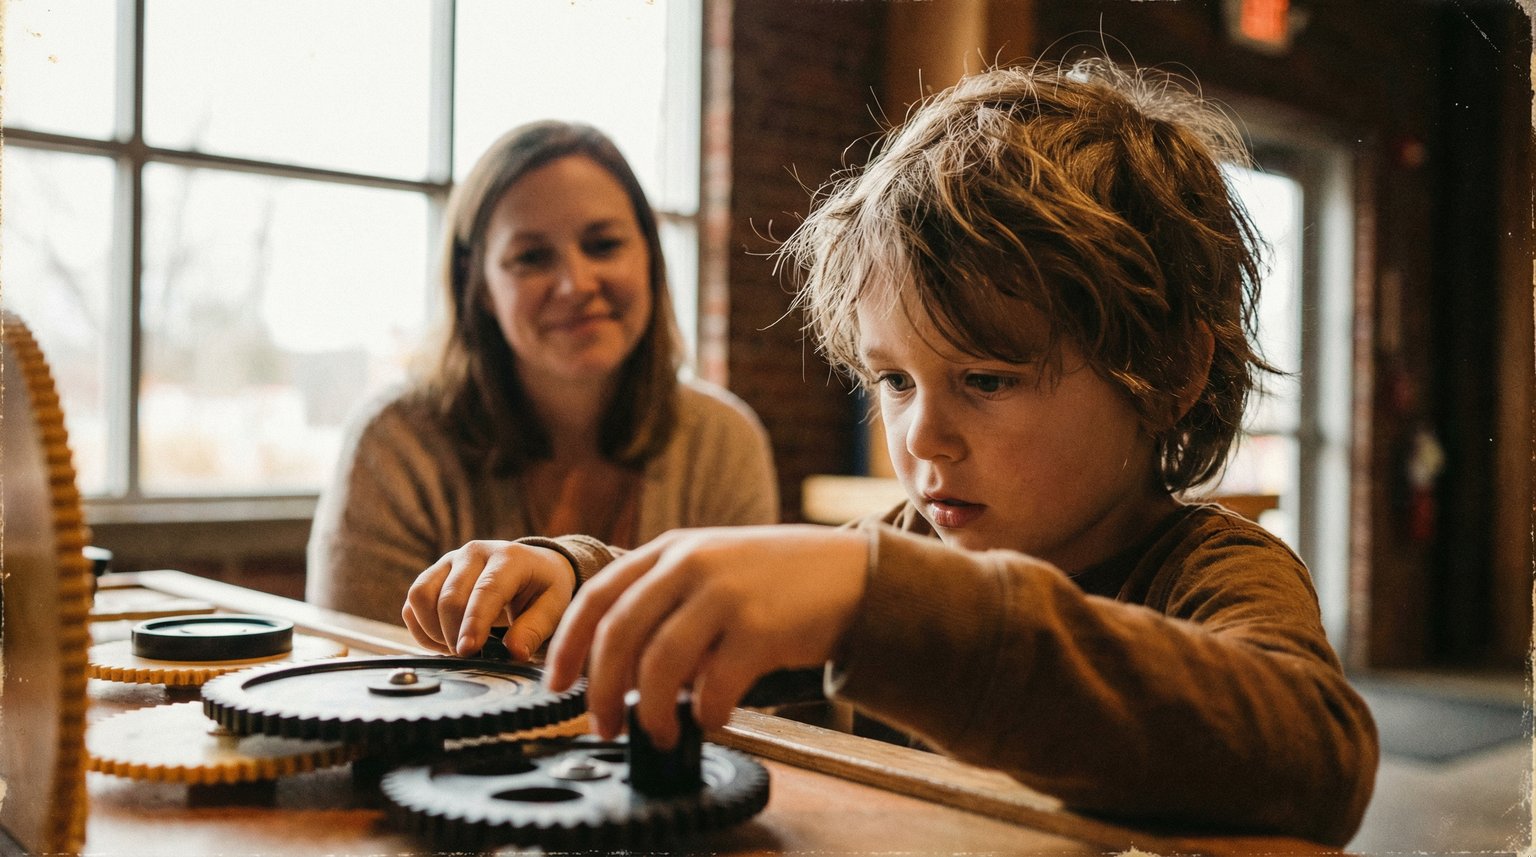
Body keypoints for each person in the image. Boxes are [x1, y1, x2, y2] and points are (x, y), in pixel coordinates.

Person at [405, 60, 1378, 844]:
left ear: (1165, 370)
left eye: (986, 379)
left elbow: (1316, 755)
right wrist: (579, 578)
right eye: (896, 379)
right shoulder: (912, 541)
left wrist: (879, 594)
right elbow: (742, 620)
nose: (919, 436)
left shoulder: (1215, 570)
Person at [308, 120, 778, 637]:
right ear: (479, 285)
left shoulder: (725, 440)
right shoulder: (395, 445)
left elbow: (744, 674)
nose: (575, 284)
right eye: (531, 257)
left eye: (602, 244)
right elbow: (358, 674)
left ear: (650, 257)